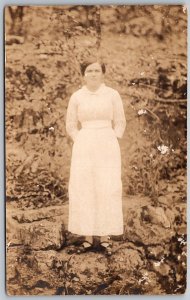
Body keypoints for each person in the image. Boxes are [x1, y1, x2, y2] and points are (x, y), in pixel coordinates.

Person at [65, 59, 126, 255]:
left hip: (107, 143)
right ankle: (87, 238)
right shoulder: (77, 96)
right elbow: (71, 124)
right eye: (89, 71)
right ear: (83, 74)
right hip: (84, 144)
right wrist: (80, 140)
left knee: (107, 186)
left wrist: (112, 139)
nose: (93, 74)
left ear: (103, 74)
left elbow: (120, 121)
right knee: (84, 186)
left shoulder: (112, 95)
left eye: (97, 70)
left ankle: (106, 237)